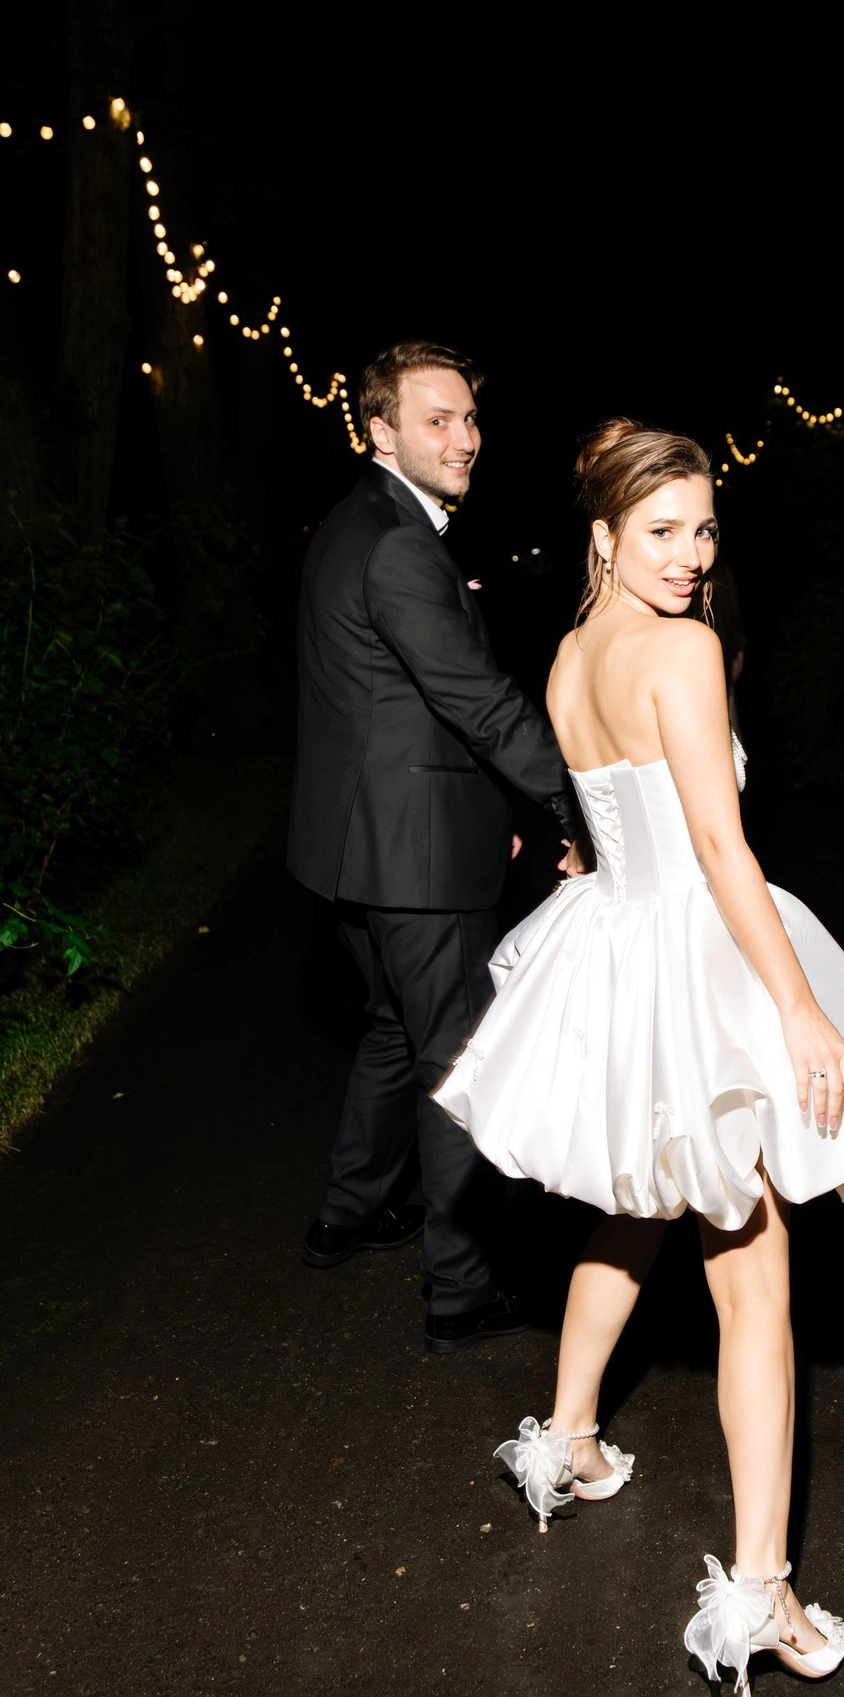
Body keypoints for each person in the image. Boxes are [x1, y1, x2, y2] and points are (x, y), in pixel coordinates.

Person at [432, 419, 844, 1697]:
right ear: (604, 535)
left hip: (618, 951)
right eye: (662, 530)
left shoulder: (572, 653)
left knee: (636, 1213)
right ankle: (761, 1592)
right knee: (754, 1276)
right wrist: (800, 1010)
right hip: (701, 960)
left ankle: (566, 1441)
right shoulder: (685, 649)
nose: (691, 554)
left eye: (705, 529)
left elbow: (601, 818)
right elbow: (719, 851)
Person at [287, 340, 582, 1356]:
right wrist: (575, 804)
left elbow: (384, 704)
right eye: (437, 420)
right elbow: (477, 699)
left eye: (469, 418)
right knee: (458, 1058)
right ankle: (460, 1291)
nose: (465, 439)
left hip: (349, 850)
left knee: (389, 1030)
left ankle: (348, 1213)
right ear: (381, 431)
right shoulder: (400, 544)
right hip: (412, 859)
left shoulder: (352, 523)